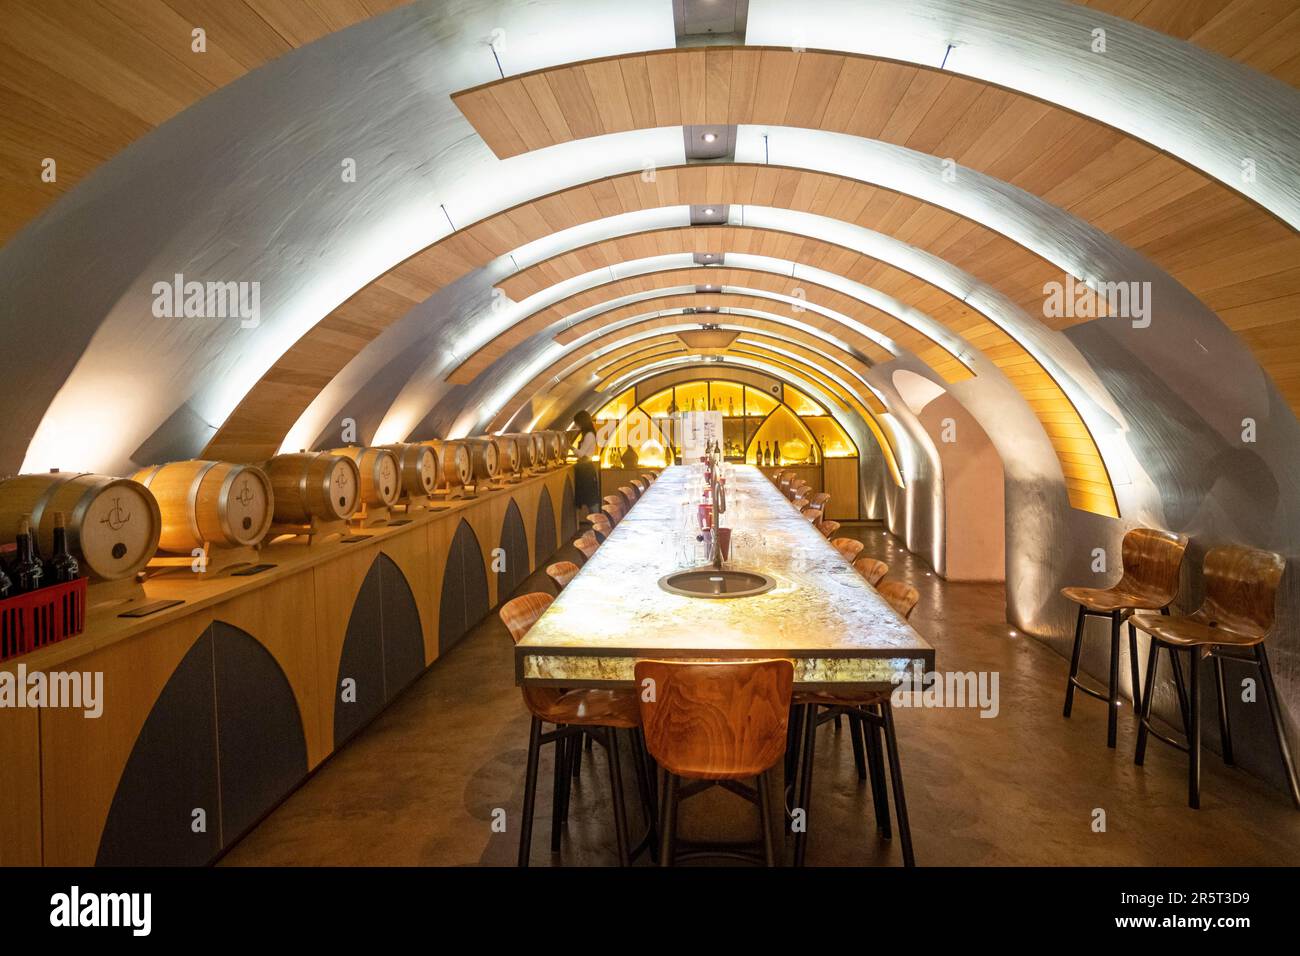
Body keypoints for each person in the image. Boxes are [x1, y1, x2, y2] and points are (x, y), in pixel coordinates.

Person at [572, 410, 600, 517]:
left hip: (586, 470)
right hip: (585, 469)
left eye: (577, 423)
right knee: (589, 498)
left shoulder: (589, 435)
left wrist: (570, 447)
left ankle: (597, 521)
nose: (576, 425)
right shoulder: (588, 434)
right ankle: (595, 521)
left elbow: (581, 454)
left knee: (591, 499)